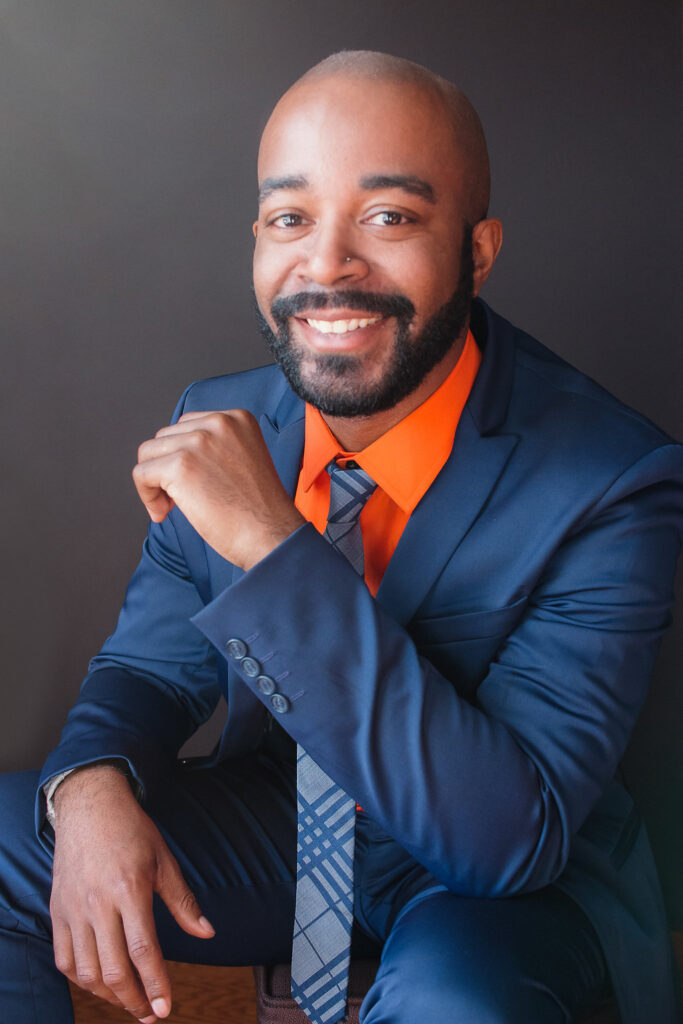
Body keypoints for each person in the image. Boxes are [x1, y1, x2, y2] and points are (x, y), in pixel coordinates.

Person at [0, 49, 681, 1024]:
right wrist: (92, 784)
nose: (325, 264)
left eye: (389, 217)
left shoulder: (611, 481)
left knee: (454, 997)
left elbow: (506, 838)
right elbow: (151, 671)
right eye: (290, 218)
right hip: (283, 825)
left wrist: (275, 548)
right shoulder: (223, 420)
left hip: (502, 873)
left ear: (476, 251)